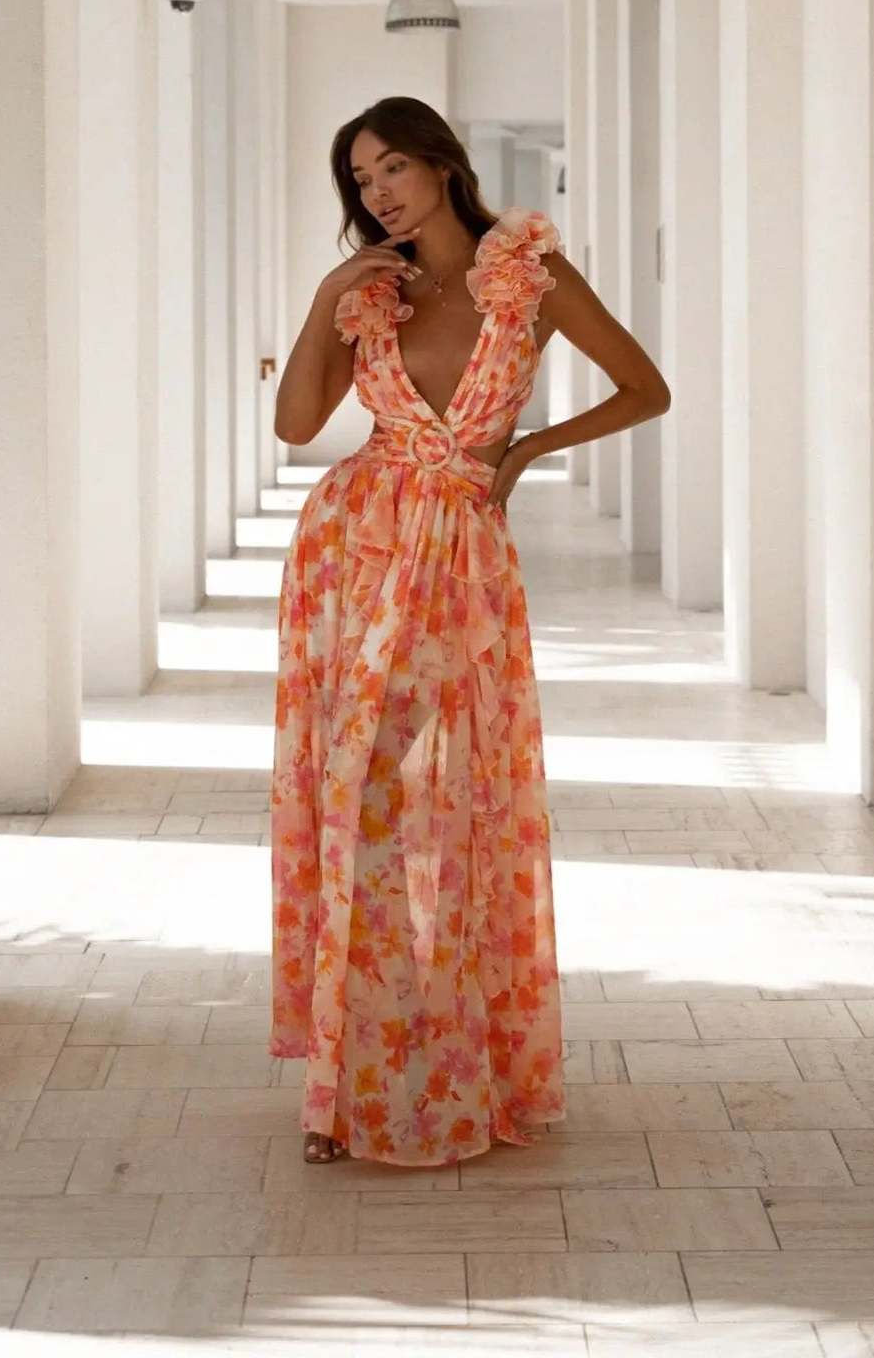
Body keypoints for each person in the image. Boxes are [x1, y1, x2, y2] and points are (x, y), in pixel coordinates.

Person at [269, 95, 670, 1166]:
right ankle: (341, 1088)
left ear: (442, 165)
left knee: (453, 814)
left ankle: (458, 1064)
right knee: (359, 806)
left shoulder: (524, 278)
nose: (379, 193)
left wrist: (527, 452)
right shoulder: (374, 297)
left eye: (393, 167)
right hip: (352, 557)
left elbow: (646, 388)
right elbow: (297, 424)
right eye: (361, 180)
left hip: (462, 566)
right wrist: (324, 298)